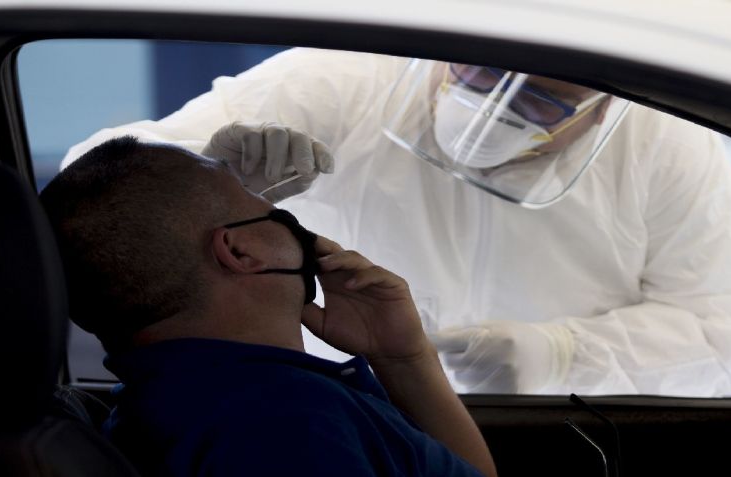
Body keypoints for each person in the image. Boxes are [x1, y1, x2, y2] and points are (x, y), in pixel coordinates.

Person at [63, 48, 731, 397]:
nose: (493, 104)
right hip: (324, 400)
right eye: (475, 72)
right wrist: (204, 170)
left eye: (541, 102)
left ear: (602, 103)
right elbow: (97, 175)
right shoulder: (342, 78)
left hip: (550, 429)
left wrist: (561, 354)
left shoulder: (662, 141)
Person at [40, 137, 497, 477]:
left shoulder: (183, 399)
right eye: (258, 201)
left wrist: (403, 358)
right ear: (240, 252)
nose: (284, 215)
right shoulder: (284, 423)